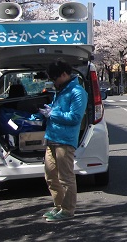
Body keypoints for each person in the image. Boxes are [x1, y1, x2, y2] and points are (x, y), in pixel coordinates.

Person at [39, 59, 87, 222]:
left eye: (55, 78)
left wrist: (52, 114)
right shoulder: (61, 90)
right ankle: (59, 206)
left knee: (65, 177)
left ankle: (68, 210)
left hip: (65, 140)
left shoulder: (77, 92)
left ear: (64, 74)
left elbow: (75, 118)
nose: (54, 82)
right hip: (52, 137)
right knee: (50, 175)